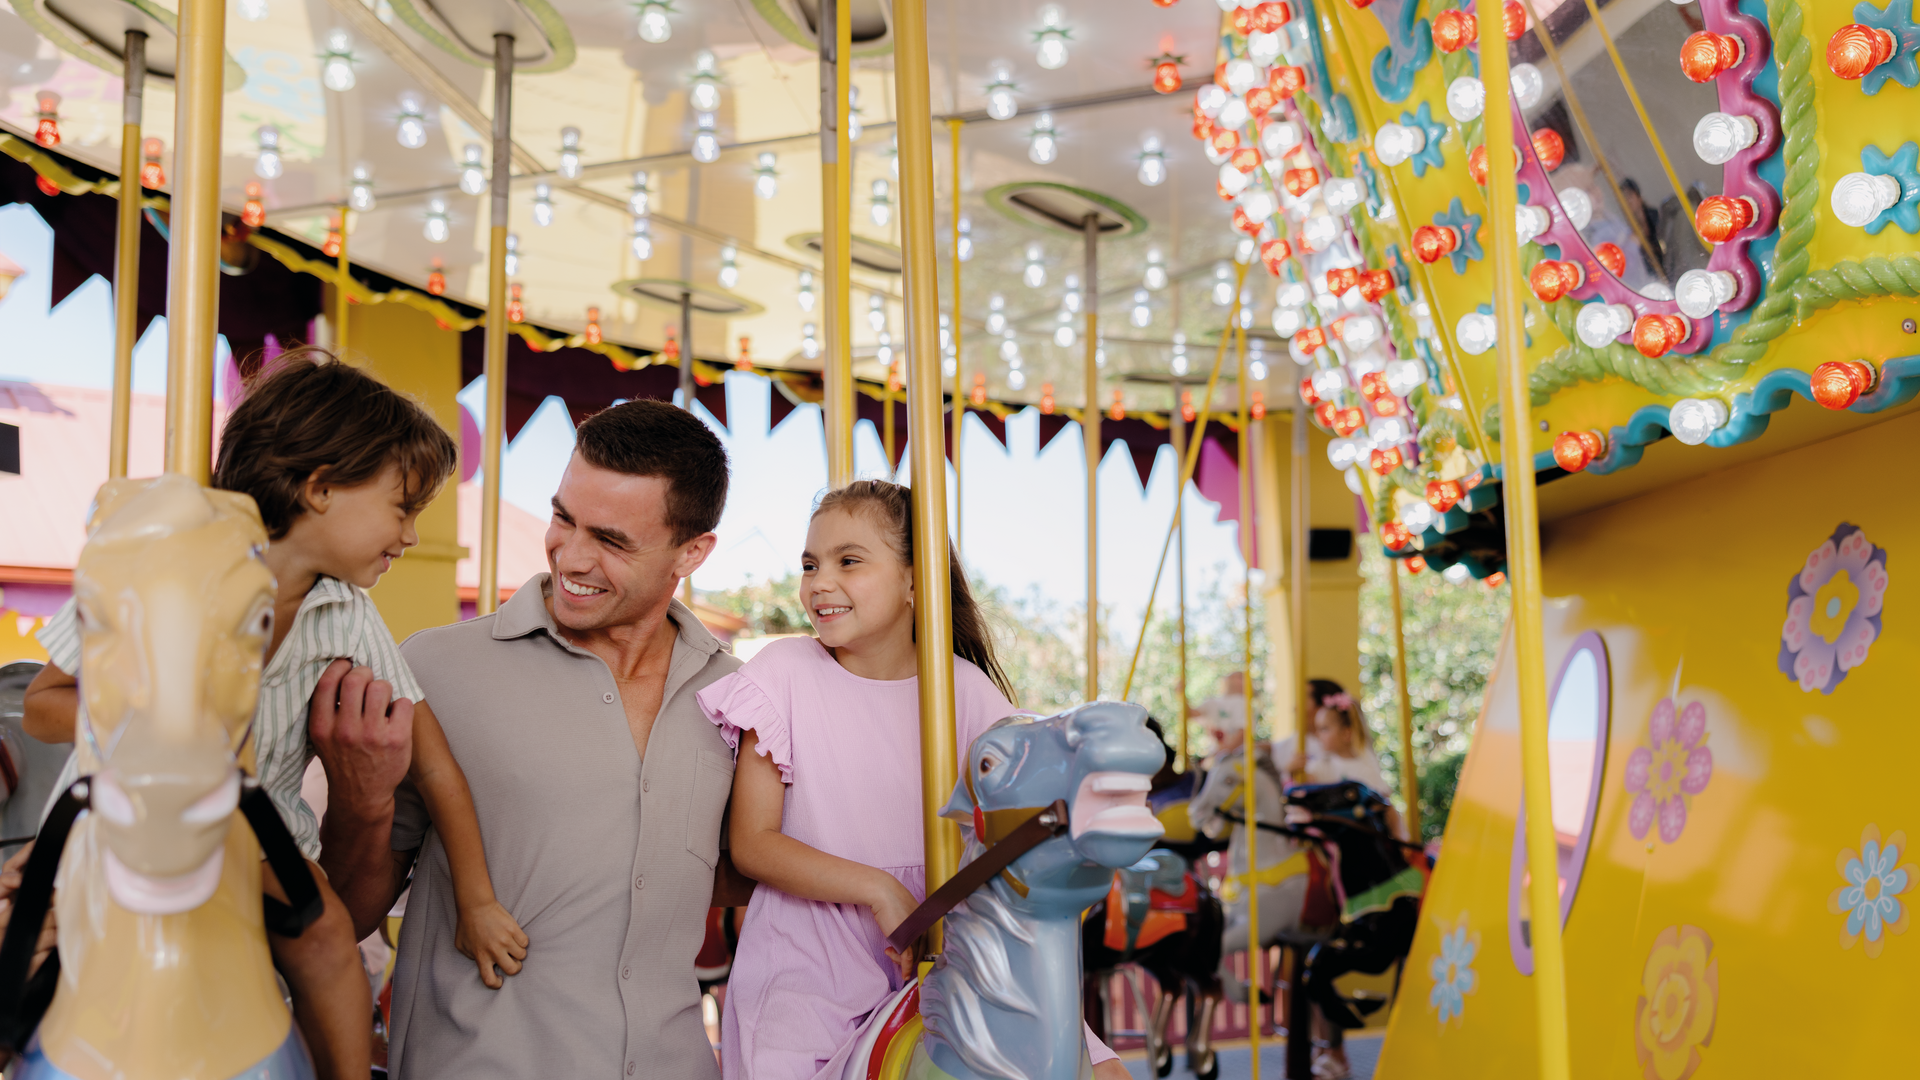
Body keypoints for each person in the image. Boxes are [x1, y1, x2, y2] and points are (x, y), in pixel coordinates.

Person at [16, 352, 521, 1080]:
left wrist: (477, 900)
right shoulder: (166, 569)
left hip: (257, 831)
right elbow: (41, 706)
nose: (410, 535)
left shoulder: (345, 613)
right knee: (23, 926)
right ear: (320, 488)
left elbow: (434, 763)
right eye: (402, 507)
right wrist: (162, 722)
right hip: (124, 817)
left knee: (324, 942)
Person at [318, 399, 749, 1080]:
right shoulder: (435, 669)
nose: (570, 555)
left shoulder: (739, 700)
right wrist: (359, 799)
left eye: (611, 540)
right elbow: (347, 913)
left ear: (692, 551)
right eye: (562, 518)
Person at [698, 480, 1126, 1080]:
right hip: (809, 960)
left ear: (914, 581)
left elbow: (1010, 834)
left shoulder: (965, 694)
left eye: (849, 561)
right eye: (809, 564)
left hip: (947, 944)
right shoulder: (784, 674)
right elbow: (753, 841)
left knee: (1100, 1071)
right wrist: (878, 887)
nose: (820, 582)